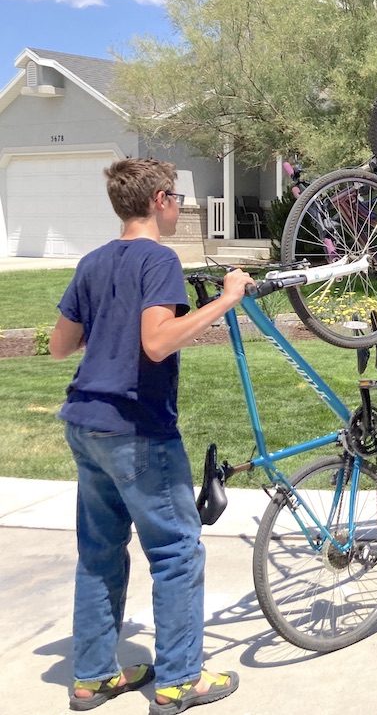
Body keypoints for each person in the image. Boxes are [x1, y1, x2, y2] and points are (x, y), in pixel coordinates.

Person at [50, 158, 252, 714]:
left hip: (85, 423)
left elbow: (59, 345)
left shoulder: (92, 262)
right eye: (178, 198)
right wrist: (227, 298)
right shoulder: (160, 260)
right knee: (176, 552)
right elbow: (158, 343)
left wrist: (106, 321)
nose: (180, 207)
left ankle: (91, 678)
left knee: (99, 553)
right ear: (160, 200)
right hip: (137, 429)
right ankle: (180, 680)